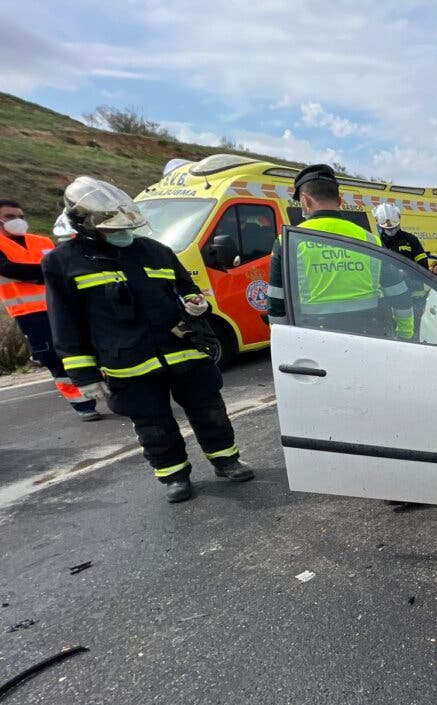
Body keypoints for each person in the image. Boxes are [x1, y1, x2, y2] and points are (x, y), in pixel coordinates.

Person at [42, 177, 254, 503]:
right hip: (129, 362)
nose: (122, 232)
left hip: (183, 351)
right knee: (153, 426)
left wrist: (196, 303)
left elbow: (187, 289)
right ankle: (174, 477)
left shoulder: (156, 251)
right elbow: (64, 322)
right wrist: (82, 375)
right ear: (85, 224)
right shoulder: (62, 262)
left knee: (211, 411)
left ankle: (227, 461)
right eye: (112, 227)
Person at [267, 164, 414, 338]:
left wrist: (286, 342)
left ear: (305, 200)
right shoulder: (370, 239)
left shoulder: (288, 242)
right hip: (371, 338)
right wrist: (406, 335)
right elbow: (399, 294)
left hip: (314, 338)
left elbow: (277, 305)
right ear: (339, 200)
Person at [0, 199, 101, 420]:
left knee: (89, 347)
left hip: (63, 305)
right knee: (53, 358)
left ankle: (109, 389)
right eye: (9, 217)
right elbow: (9, 269)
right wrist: (47, 272)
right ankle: (83, 404)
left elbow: (64, 264)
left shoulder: (41, 240)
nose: (17, 221)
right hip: (29, 314)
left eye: (21, 216)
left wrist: (44, 272)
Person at [374, 202, 437, 275]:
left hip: (413, 283)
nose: (391, 231)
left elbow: (423, 264)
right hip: (389, 284)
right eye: (387, 229)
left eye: (394, 228)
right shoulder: (378, 242)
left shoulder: (410, 239)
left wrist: (408, 274)